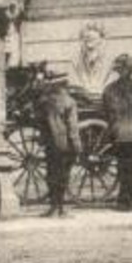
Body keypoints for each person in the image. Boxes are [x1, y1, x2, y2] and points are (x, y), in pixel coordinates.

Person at [102, 54, 132, 210]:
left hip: (117, 132)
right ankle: (128, 200)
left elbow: (105, 111)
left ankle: (123, 200)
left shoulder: (109, 89)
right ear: (130, 70)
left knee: (122, 165)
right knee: (131, 167)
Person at [38, 71, 81, 217]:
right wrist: (77, 146)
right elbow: (73, 127)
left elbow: (41, 125)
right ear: (64, 85)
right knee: (63, 176)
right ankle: (61, 209)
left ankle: (53, 207)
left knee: (51, 174)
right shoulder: (69, 102)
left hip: (50, 144)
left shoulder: (44, 102)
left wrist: (43, 140)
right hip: (65, 144)